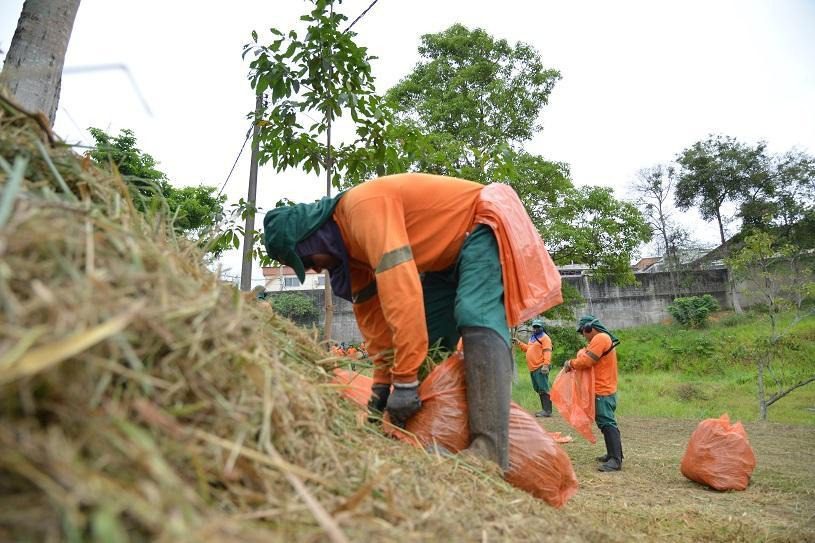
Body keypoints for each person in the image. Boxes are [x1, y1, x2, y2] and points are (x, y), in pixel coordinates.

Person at [262, 173, 562, 470]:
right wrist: (382, 387)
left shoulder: (363, 209)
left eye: (307, 261)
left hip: (481, 223)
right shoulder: (350, 254)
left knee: (474, 313)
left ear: (312, 238)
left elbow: (401, 293)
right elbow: (374, 322)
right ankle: (440, 435)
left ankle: (489, 449)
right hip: (443, 259)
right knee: (429, 343)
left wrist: (405, 382)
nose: (314, 270)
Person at [564, 315, 623, 472]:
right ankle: (612, 455)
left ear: (589, 328)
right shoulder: (602, 339)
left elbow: (587, 361)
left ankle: (616, 460)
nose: (583, 335)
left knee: (607, 422)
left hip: (602, 389)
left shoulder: (601, 338)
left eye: (583, 331)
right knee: (604, 422)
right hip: (602, 388)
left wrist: (571, 363)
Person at [514, 319, 552, 417]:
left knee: (543, 388)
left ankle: (547, 410)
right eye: (534, 326)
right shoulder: (532, 338)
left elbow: (547, 351)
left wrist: (546, 365)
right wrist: (519, 343)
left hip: (540, 366)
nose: (535, 328)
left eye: (538, 326)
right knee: (538, 388)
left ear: (542, 327)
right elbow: (528, 349)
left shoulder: (545, 338)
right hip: (533, 368)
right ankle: (544, 409)